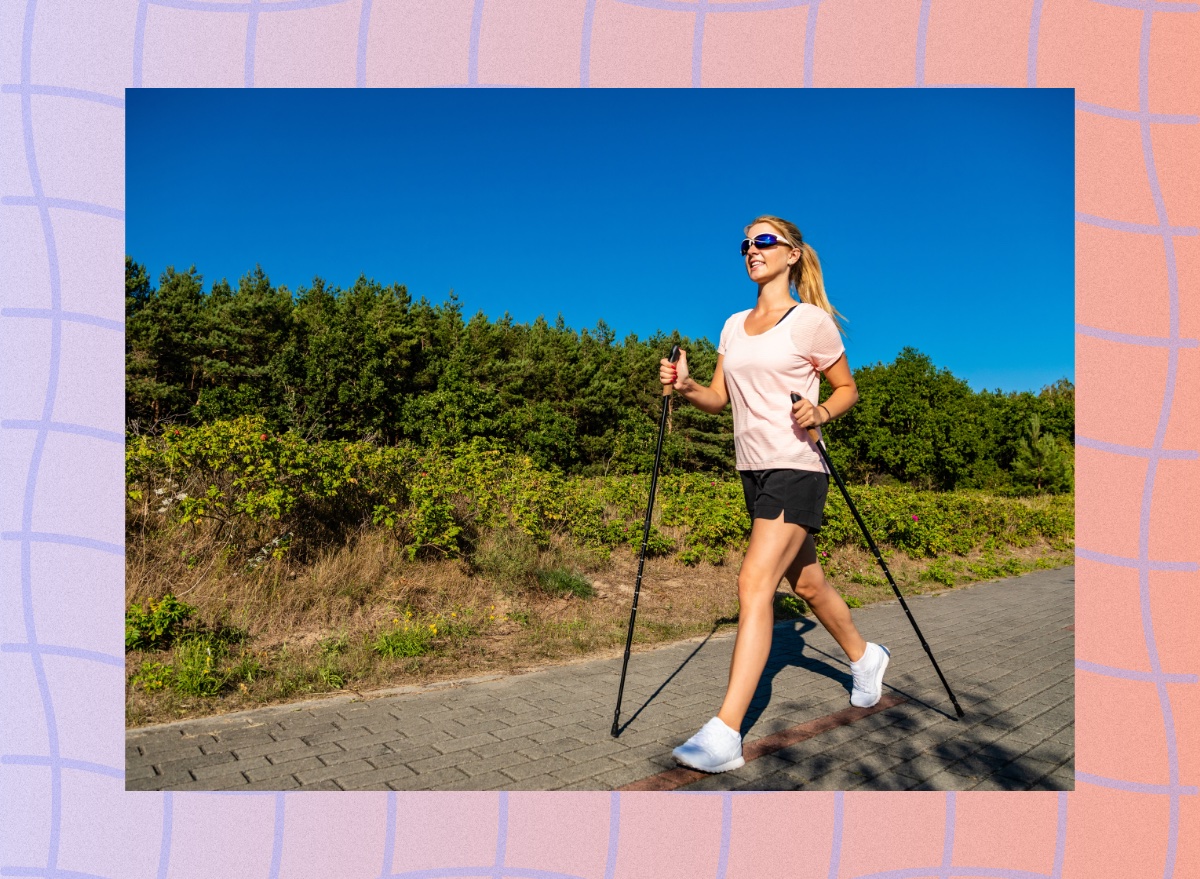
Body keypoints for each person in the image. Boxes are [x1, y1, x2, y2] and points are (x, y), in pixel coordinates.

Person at [660, 215, 889, 773]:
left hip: (797, 467)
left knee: (753, 582)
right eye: (745, 243)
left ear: (792, 254)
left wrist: (822, 410)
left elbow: (847, 388)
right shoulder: (733, 325)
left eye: (764, 241)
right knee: (807, 582)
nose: (751, 249)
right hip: (754, 470)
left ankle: (725, 733)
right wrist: (687, 387)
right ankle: (866, 656)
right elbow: (719, 398)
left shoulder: (809, 322)